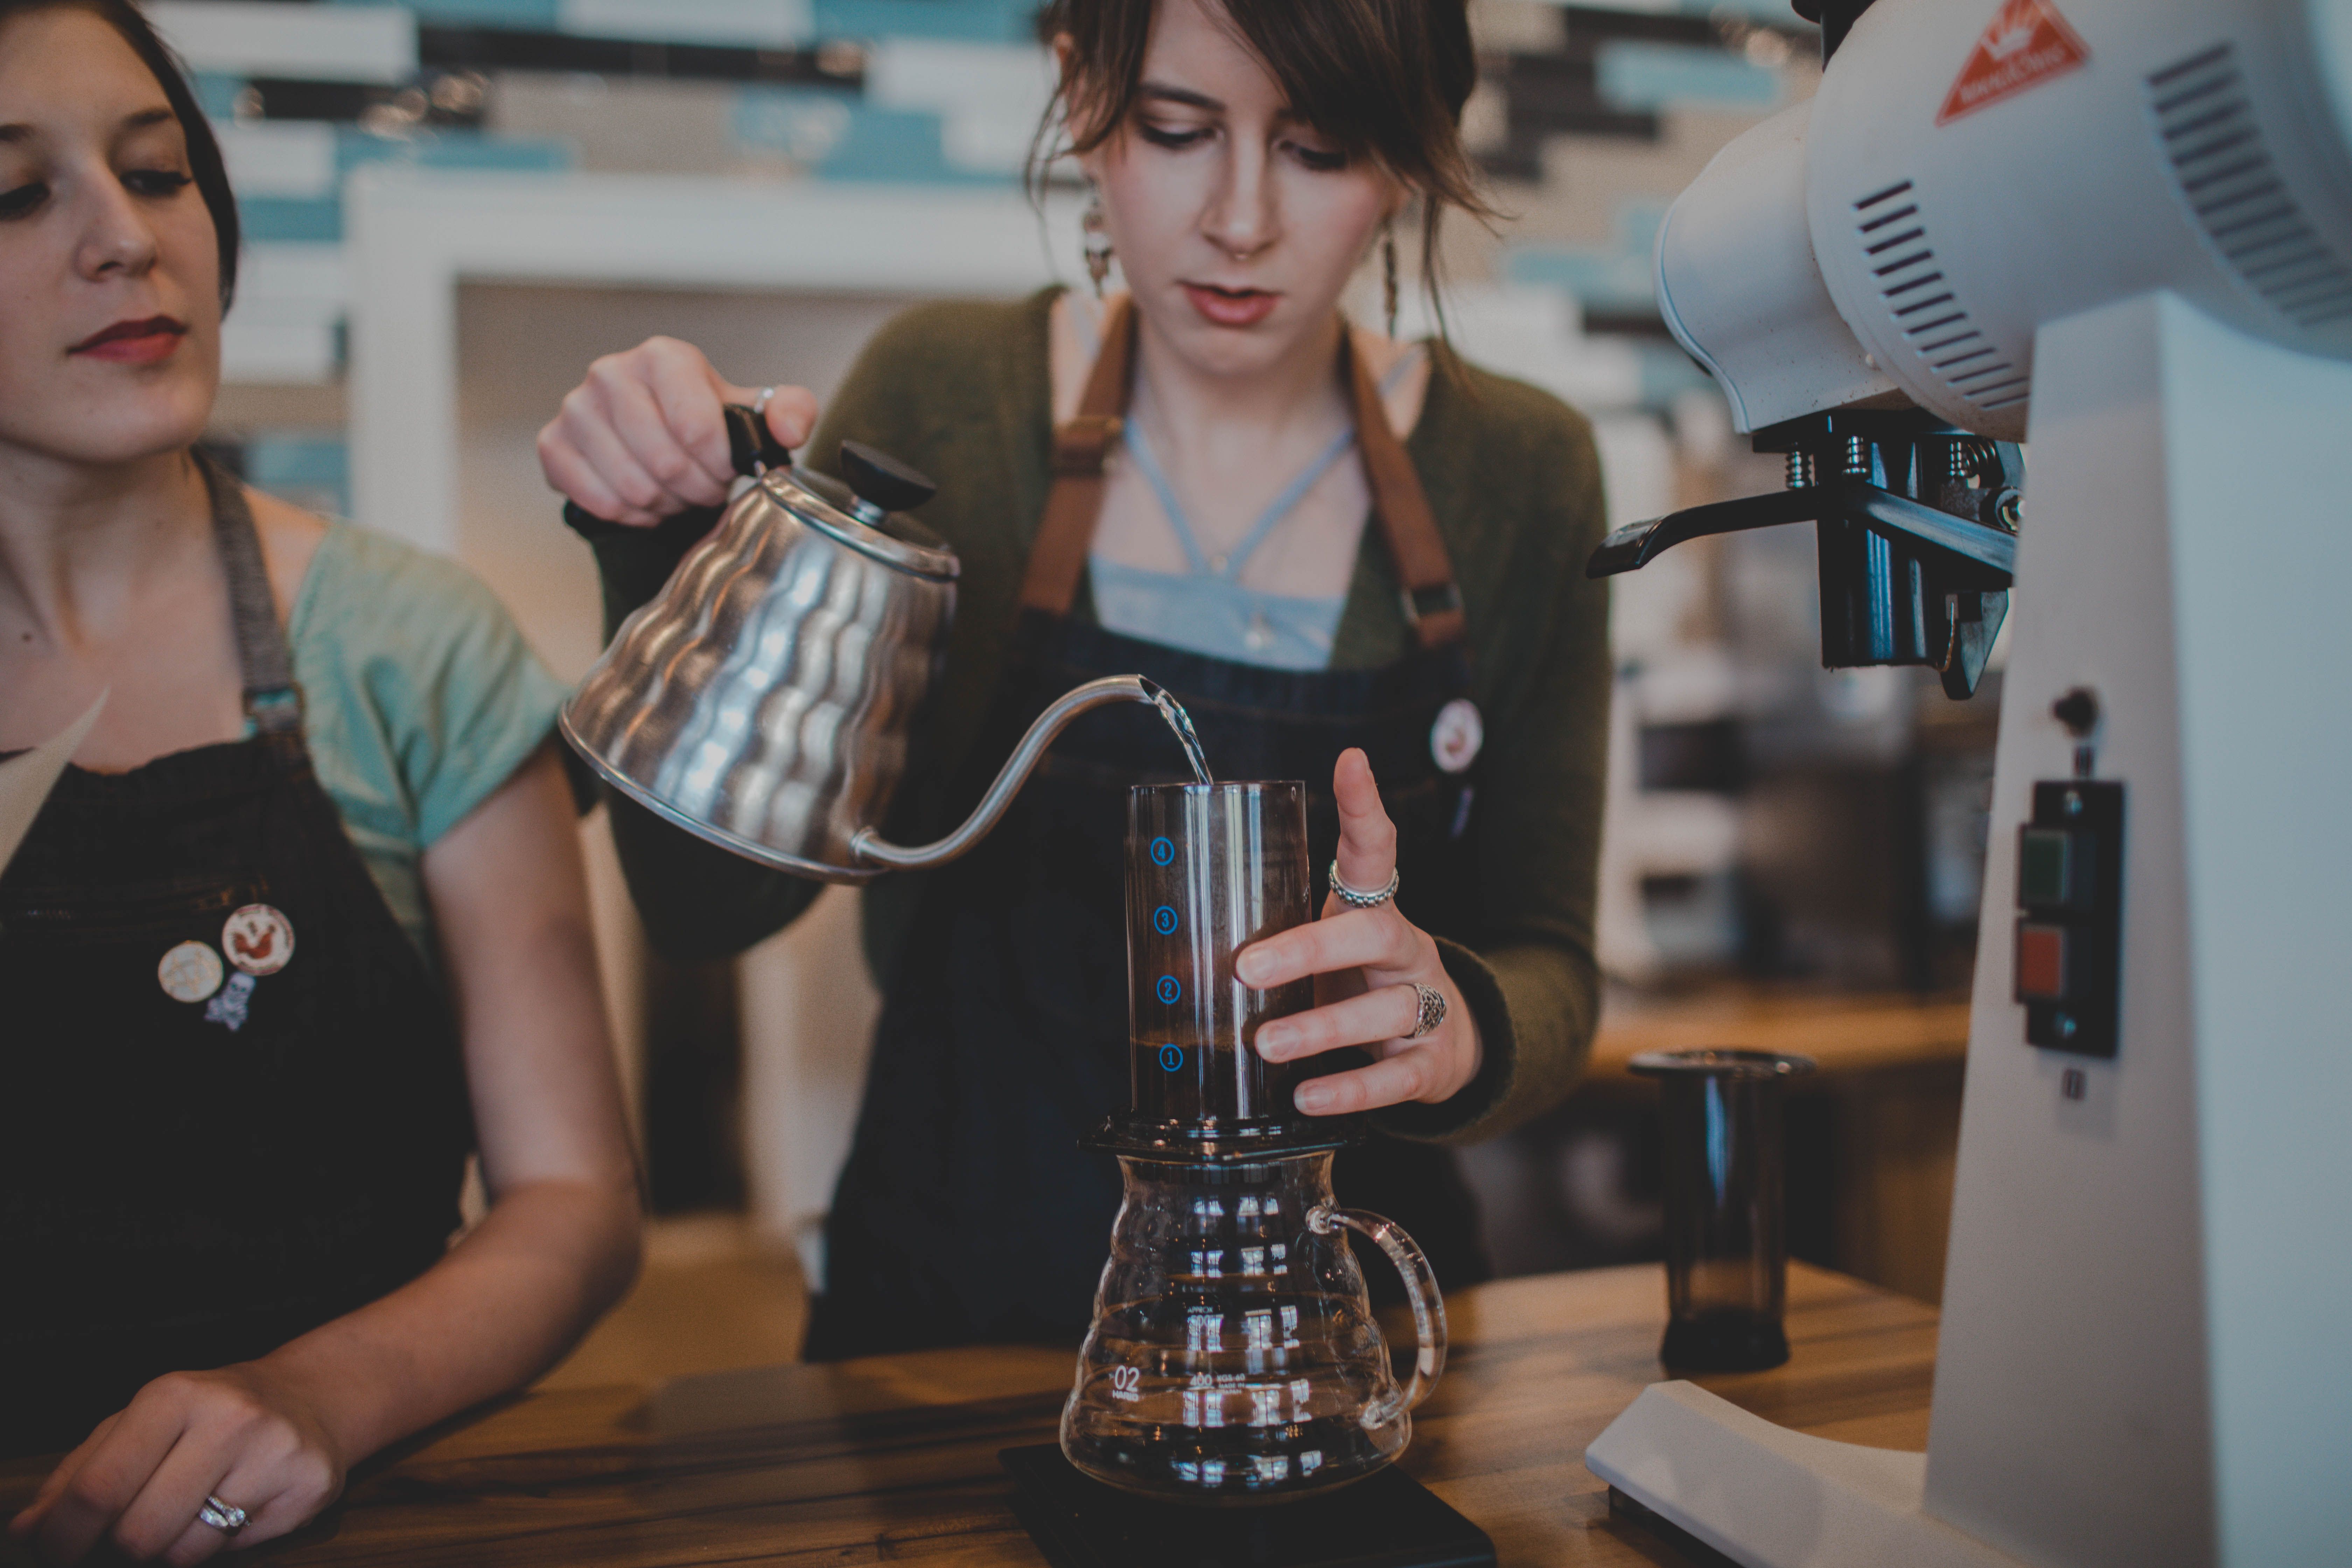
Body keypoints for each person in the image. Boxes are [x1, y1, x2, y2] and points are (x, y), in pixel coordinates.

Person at [539, 0, 1609, 1360]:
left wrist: (1457, 1023)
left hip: (1348, 1357)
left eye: (1321, 150)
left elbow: (1553, 962)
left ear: (1410, 158)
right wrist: (659, 548)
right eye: (1177, 130)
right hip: (944, 1337)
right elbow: (705, 905)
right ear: (1083, 93)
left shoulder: (1520, 472)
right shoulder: (946, 397)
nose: (1240, 220)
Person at [0, 4, 640, 1561]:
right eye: (15, 194)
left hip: (352, 1509)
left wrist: (315, 1393)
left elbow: (574, 1200)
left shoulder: (404, 645)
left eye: (158, 176)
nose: (124, 241)